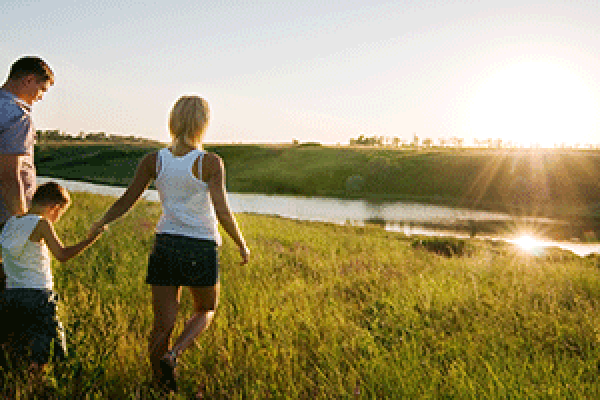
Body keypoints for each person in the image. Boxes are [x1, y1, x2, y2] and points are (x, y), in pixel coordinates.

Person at [92, 95, 249, 392]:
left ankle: (160, 386)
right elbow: (223, 210)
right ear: (204, 123)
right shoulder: (210, 162)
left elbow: (128, 199)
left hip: (165, 244)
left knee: (161, 324)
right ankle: (174, 354)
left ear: (173, 121)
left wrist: (101, 221)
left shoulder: (154, 160)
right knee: (206, 310)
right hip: (200, 246)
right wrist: (241, 244)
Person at [0, 182, 105, 371]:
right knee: (44, 355)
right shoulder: (41, 223)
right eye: (60, 213)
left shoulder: (10, 223)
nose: (57, 218)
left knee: (17, 353)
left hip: (11, 296)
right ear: (54, 207)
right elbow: (62, 255)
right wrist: (91, 239)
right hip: (38, 297)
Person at [0, 56, 54, 291]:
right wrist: (21, 220)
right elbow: (9, 174)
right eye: (41, 89)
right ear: (28, 80)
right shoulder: (16, 115)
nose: (40, 96)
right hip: (4, 214)